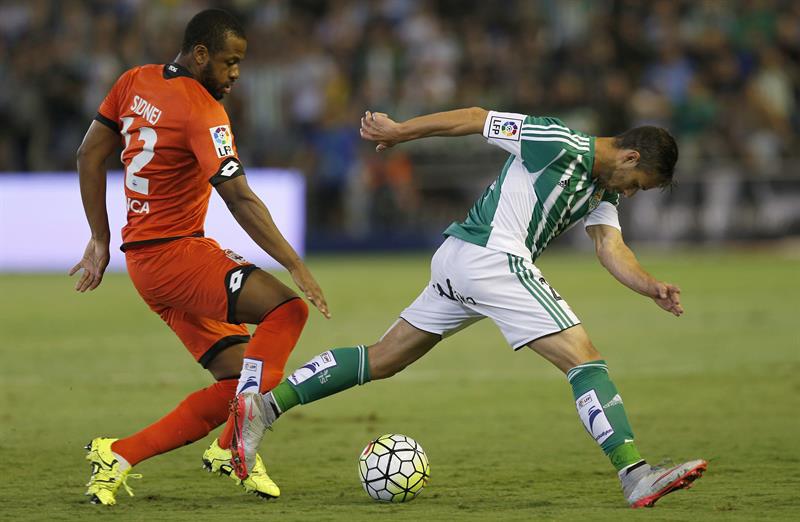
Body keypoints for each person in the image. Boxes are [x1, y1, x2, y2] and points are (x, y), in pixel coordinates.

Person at [229, 108, 707, 508]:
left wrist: (650, 286)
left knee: (383, 358)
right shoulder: (557, 140)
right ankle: (636, 474)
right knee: (584, 358)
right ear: (629, 156)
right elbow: (478, 119)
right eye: (637, 184)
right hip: (492, 258)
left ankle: (263, 409)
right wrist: (399, 133)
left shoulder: (601, 188)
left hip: (460, 262)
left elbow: (610, 247)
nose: (630, 193)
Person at [71, 9, 329, 506]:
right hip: (176, 254)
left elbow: (88, 155)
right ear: (201, 54)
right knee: (288, 309)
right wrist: (296, 266)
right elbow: (239, 197)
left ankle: (119, 454)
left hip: (146, 261)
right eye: (230, 62)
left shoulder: (133, 81)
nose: (235, 74)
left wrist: (99, 240)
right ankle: (237, 444)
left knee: (237, 381)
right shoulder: (202, 109)